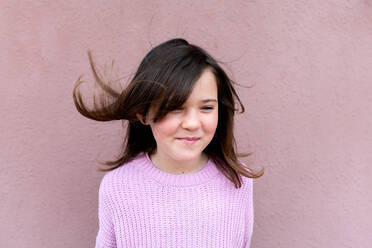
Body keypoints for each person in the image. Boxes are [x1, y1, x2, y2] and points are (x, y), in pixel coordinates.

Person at [73, 38, 264, 248]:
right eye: (175, 108)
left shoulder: (238, 181)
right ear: (144, 114)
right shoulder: (118, 187)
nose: (192, 123)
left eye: (207, 108)